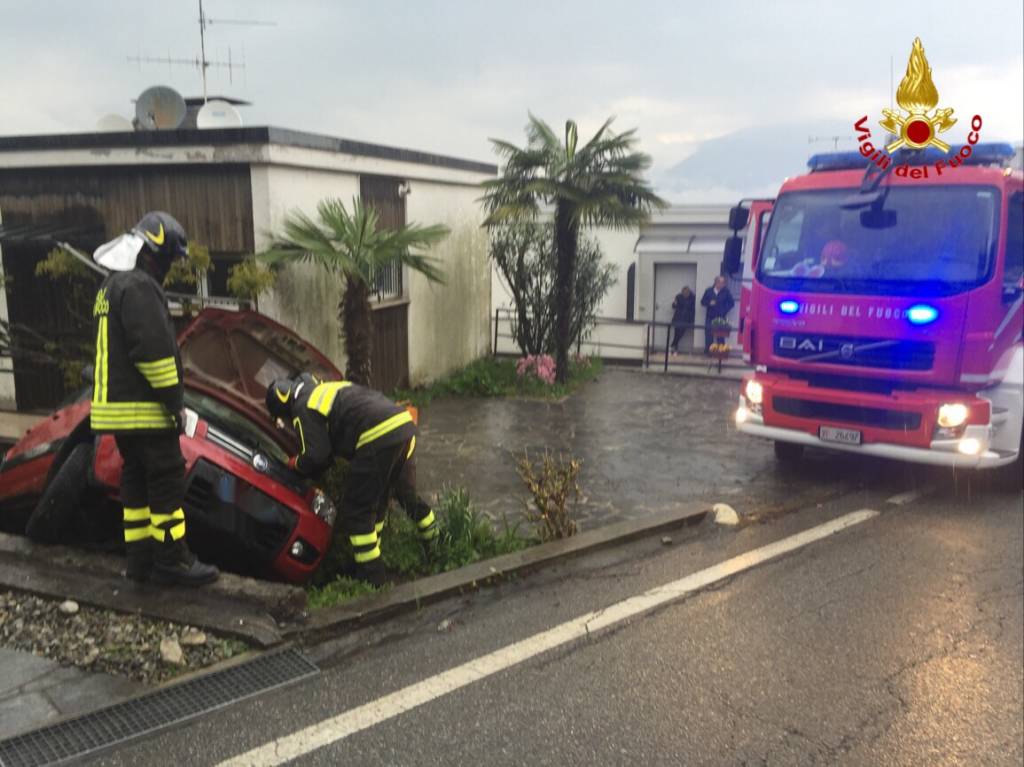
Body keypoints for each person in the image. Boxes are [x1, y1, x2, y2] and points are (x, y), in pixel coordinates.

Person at [90, 211, 218, 586]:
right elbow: (155, 356)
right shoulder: (140, 288)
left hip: (118, 413)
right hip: (144, 411)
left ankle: (140, 561)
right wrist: (174, 403)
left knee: (136, 479)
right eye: (168, 259)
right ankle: (173, 560)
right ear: (152, 253)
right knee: (166, 478)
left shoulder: (111, 286)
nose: (168, 268)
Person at [265, 375, 438, 586]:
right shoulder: (324, 389)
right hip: (402, 425)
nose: (288, 423)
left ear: (283, 405)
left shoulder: (302, 406)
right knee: (395, 497)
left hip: (377, 435)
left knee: (357, 510)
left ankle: (372, 578)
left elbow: (317, 456)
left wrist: (294, 464)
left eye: (284, 418)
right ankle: (437, 544)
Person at [700, 275, 735, 354]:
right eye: (721, 282)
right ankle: (708, 352)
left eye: (723, 282)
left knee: (720, 336)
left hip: (721, 317)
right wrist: (709, 303)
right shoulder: (708, 291)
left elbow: (731, 303)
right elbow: (702, 302)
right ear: (716, 282)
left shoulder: (726, 291)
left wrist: (724, 310)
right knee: (708, 335)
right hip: (710, 316)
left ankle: (721, 353)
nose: (723, 284)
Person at [670, 285, 695, 354]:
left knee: (681, 333)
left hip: (687, 319)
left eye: (686, 292)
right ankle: (675, 349)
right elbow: (673, 306)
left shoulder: (693, 298)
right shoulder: (678, 296)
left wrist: (692, 320)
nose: (685, 294)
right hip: (678, 318)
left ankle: (672, 346)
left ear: (689, 292)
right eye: (683, 292)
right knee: (676, 334)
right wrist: (674, 303)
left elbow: (693, 309)